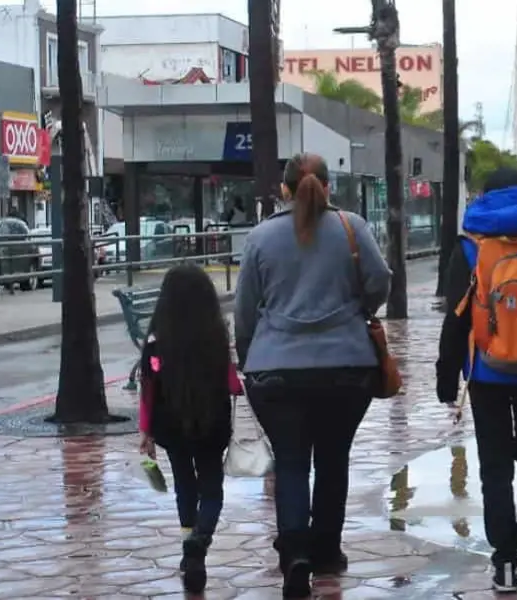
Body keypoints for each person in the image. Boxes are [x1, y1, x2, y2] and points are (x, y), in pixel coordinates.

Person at [234, 153, 391, 599]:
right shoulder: (352, 228)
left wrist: (252, 356)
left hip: (276, 370)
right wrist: (358, 310)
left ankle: (295, 555)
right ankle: (326, 550)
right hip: (347, 366)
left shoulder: (261, 237)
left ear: (284, 189)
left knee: (290, 461)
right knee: (333, 459)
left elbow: (245, 311)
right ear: (328, 185)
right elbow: (380, 280)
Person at [436, 167, 517, 592]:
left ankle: (505, 562)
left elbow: (455, 320)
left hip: (486, 372)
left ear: (484, 197)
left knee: (494, 465)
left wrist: (446, 377)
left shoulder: (469, 247)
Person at [138, 263, 243, 594]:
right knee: (212, 489)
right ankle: (201, 539)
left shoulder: (156, 345)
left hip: (171, 427)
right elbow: (231, 383)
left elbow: (149, 388)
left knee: (185, 485)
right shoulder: (215, 337)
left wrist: (146, 431)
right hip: (212, 424)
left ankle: (189, 545)